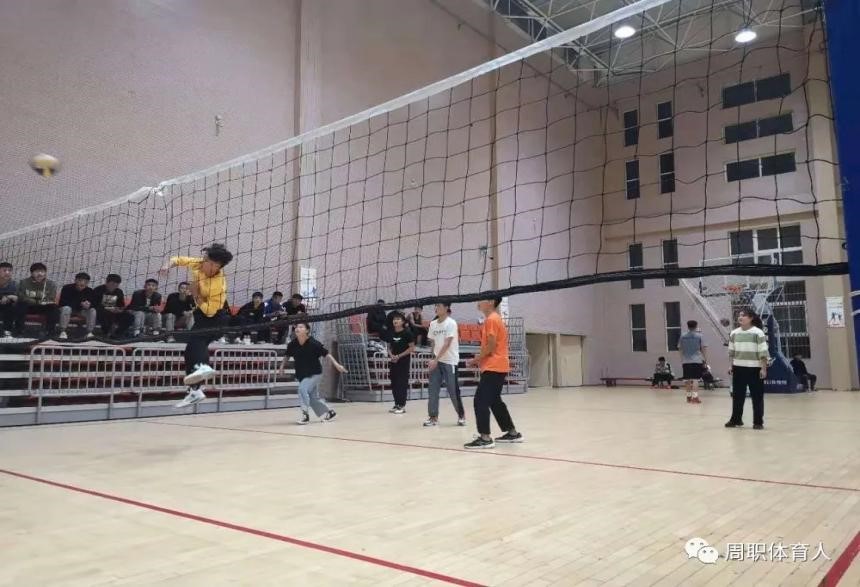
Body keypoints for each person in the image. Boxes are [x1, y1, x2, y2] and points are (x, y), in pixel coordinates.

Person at [159, 244, 234, 408]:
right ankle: (194, 391)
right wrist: (167, 265)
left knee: (197, 342)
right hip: (202, 317)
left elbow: (210, 311)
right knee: (191, 350)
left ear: (215, 265)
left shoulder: (217, 284)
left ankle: (203, 369)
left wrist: (196, 294)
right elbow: (179, 259)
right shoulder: (200, 264)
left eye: (206, 260)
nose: (202, 261)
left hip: (215, 318)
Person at [464, 297, 522, 449]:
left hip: (494, 367)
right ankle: (512, 433)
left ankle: (485, 438)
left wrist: (475, 360)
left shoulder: (491, 320)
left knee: (480, 400)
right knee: (495, 401)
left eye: (482, 299)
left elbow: (490, 346)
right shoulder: (495, 319)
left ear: (490, 302)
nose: (478, 301)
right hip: (498, 366)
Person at [284, 322, 347, 424]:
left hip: (314, 373)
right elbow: (287, 355)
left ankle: (305, 415)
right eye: (296, 327)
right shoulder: (292, 344)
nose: (297, 328)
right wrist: (281, 367)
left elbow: (327, 354)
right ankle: (331, 413)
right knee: (313, 399)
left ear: (307, 330)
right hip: (302, 374)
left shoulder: (314, 343)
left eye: (301, 327)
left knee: (302, 389)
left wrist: (337, 365)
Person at [726, 308, 769, 430]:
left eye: (743, 315)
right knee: (737, 396)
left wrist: (763, 368)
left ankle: (758, 422)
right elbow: (731, 352)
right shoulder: (734, 333)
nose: (740, 317)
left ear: (751, 318)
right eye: (739, 315)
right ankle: (736, 420)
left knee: (757, 396)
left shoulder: (758, 333)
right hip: (738, 368)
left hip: (755, 369)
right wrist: (731, 365)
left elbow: (763, 352)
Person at [425, 302, 466, 427]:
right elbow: (433, 343)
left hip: (450, 361)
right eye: (435, 306)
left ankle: (461, 416)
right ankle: (433, 417)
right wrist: (433, 358)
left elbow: (447, 344)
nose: (436, 308)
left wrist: (436, 360)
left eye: (439, 306)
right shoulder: (433, 324)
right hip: (436, 361)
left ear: (446, 308)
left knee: (453, 390)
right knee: (433, 390)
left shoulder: (451, 323)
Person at [13, 262, 59, 337]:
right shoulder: (23, 282)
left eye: (42, 271)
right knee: (20, 305)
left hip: (43, 306)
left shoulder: (51, 284)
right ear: (32, 273)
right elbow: (21, 296)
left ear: (45, 273)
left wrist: (40, 301)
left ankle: (50, 332)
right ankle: (19, 331)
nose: (40, 274)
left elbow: (51, 297)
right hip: (29, 306)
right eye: (37, 271)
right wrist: (34, 301)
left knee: (54, 307)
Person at [385, 311, 415, 414]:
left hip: (403, 362)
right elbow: (389, 347)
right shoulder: (391, 333)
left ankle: (402, 405)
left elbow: (412, 348)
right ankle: (396, 404)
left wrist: (399, 356)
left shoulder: (407, 333)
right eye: (394, 319)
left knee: (401, 383)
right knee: (394, 382)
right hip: (393, 361)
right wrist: (391, 355)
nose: (395, 321)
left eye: (398, 319)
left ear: (402, 321)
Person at [58, 272, 97, 339]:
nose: (82, 283)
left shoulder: (89, 291)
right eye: (80, 281)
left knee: (92, 310)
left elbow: (93, 304)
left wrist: (88, 305)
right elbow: (62, 303)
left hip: (81, 311)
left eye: (85, 282)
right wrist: (80, 304)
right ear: (75, 280)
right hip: (68, 310)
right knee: (67, 308)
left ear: (87, 283)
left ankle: (89, 332)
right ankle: (63, 331)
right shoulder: (66, 288)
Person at [678, 320, 708, 404]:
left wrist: (682, 359)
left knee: (687, 379)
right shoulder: (699, 336)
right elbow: (703, 348)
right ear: (696, 326)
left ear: (688, 326)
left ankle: (688, 397)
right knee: (695, 380)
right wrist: (705, 359)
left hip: (685, 361)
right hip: (697, 360)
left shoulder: (682, 336)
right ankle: (695, 398)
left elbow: (680, 348)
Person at [93, 274, 130, 338]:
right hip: (101, 312)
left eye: (117, 284)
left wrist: (119, 309)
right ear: (106, 282)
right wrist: (108, 308)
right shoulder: (98, 290)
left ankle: (118, 333)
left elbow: (121, 305)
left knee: (129, 316)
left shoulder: (119, 291)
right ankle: (107, 332)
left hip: (114, 312)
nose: (114, 286)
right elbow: (94, 304)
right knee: (104, 312)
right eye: (112, 284)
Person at [0, 262, 18, 337]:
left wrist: (9, 297)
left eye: (9, 270)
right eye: (4, 270)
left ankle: (7, 331)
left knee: (11, 307)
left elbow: (19, 298)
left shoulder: (15, 284)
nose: (7, 272)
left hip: (7, 307)